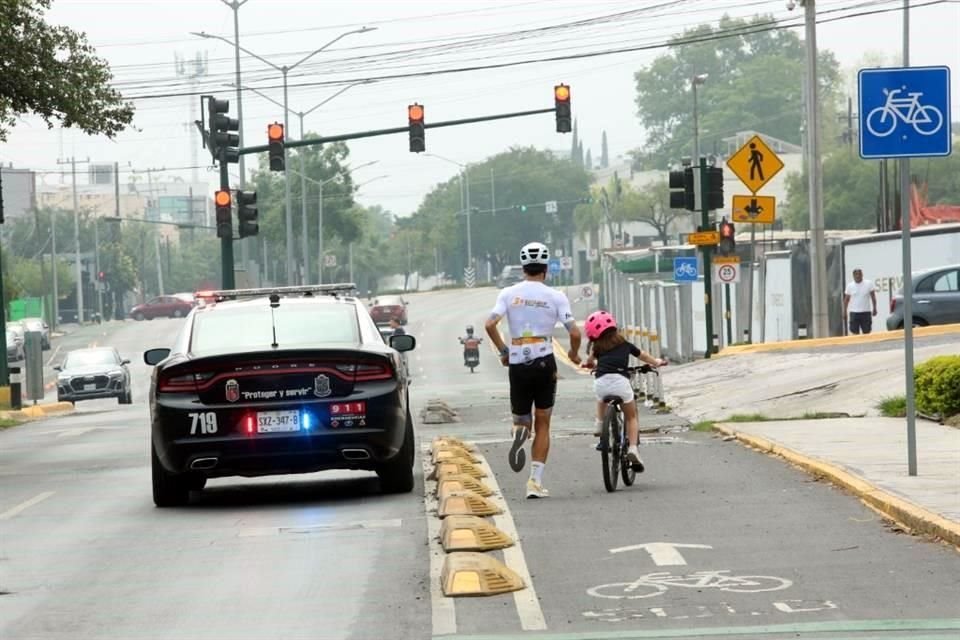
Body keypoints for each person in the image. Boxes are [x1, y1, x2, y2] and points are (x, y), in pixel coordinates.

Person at [485, 241, 581, 499]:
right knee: (544, 422)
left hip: (517, 362)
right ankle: (535, 482)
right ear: (545, 269)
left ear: (523, 268)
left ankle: (519, 433)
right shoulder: (556, 296)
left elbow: (490, 324)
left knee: (522, 420)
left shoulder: (507, 293)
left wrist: (504, 351)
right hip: (544, 361)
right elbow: (574, 332)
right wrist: (573, 354)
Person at [583, 310, 667, 471]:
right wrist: (656, 362)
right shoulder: (624, 344)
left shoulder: (597, 347)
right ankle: (633, 448)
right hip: (621, 382)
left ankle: (599, 424)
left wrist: (591, 365)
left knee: (601, 398)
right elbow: (643, 356)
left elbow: (589, 361)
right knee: (631, 416)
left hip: (601, 382)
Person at [843, 268, 877, 335]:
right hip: (854, 313)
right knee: (854, 332)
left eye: (859, 274)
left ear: (862, 275)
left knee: (867, 332)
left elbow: (873, 297)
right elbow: (846, 300)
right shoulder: (850, 286)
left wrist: (874, 308)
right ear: (853, 276)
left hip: (866, 312)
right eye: (856, 274)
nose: (858, 276)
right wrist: (844, 312)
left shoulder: (868, 284)